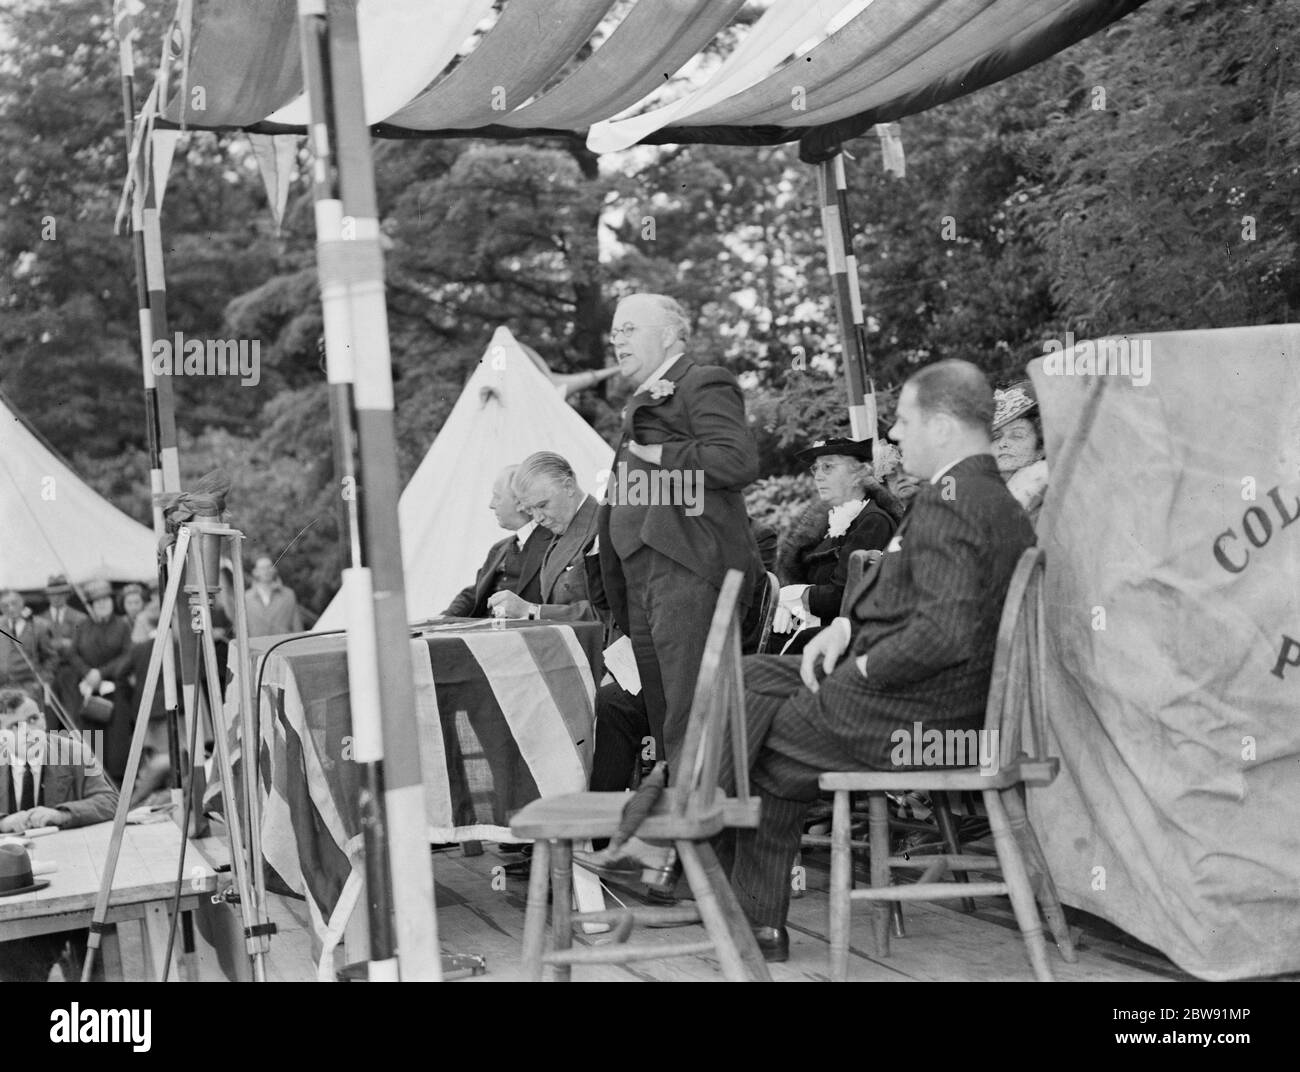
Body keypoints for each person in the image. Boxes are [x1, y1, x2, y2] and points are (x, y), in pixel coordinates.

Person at [720, 359, 1037, 963]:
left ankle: (687, 843)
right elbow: (913, 596)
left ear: (942, 426)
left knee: (756, 736)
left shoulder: (957, 502)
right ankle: (709, 861)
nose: (892, 436)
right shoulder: (968, 491)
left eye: (903, 421)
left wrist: (860, 671)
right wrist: (843, 627)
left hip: (930, 723)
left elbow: (944, 635)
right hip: (935, 699)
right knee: (749, 677)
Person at [596, 292, 762, 781]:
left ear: (668, 334)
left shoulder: (702, 381)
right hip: (641, 577)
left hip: (685, 570)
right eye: (614, 331)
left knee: (695, 715)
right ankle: (681, 841)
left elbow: (736, 462)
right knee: (667, 717)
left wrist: (660, 455)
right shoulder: (642, 400)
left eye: (628, 328)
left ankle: (709, 844)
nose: (615, 339)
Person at [0, 687, 118, 982]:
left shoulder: (76, 750)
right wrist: (3, 822)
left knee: (90, 965)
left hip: (76, 884)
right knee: (16, 965)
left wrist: (62, 814)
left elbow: (110, 801)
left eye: (35, 718)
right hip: (15, 891)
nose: (31, 731)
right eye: (15, 726)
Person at [772, 437, 902, 652]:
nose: (819, 476)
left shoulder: (873, 521)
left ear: (859, 473)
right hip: (809, 623)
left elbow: (841, 597)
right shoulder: (824, 523)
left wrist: (788, 597)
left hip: (847, 636)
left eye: (828, 467)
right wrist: (783, 607)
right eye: (816, 469)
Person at [488, 453, 603, 624]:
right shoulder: (560, 530)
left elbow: (610, 614)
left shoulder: (603, 528)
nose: (538, 517)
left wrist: (532, 611)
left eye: (542, 505)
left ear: (569, 486)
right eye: (530, 509)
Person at [441, 465, 552, 618]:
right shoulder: (500, 548)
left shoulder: (555, 545)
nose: (491, 505)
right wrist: (441, 620)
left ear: (520, 503)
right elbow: (475, 593)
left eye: (497, 496)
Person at [68, 579, 134, 785]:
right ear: (91, 606)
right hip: (90, 693)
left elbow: (127, 655)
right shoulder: (83, 627)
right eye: (97, 602)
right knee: (91, 741)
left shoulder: (122, 625)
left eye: (106, 599)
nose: (102, 604)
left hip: (115, 691)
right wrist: (88, 673)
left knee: (117, 745)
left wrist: (102, 673)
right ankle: (96, 783)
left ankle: (119, 785)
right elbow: (73, 654)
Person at [992, 379, 1049, 527]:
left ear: (1041, 448)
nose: (1003, 443)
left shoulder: (1048, 497)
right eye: (996, 436)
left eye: (1017, 435)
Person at [38, 575, 87, 720]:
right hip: (47, 674)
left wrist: (67, 643)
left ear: (67, 594)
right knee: (49, 716)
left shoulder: (80, 618)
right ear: (47, 596)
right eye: (52, 594)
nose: (56, 598)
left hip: (71, 672)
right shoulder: (39, 620)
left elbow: (84, 646)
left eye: (60, 593)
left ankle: (75, 742)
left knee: (73, 715)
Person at [0, 589, 50, 710]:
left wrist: (41, 681)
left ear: (22, 603)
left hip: (30, 687)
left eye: (14, 603)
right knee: (8, 725)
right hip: (4, 688)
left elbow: (50, 657)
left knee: (28, 725)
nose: (10, 608)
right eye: (5, 606)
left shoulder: (38, 625)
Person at [244, 555, 304, 637]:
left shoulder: (288, 594)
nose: (266, 571)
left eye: (269, 567)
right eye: (262, 568)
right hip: (257, 647)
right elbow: (241, 630)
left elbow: (297, 626)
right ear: (255, 572)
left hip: (283, 646)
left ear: (274, 570)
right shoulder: (246, 598)